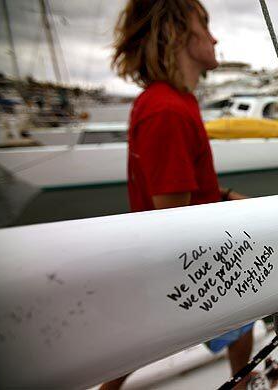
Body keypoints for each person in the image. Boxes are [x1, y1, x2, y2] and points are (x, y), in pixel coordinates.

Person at [105, 1, 253, 388]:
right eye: (204, 24)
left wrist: (225, 196)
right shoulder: (167, 110)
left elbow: (182, 190)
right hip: (185, 261)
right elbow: (174, 220)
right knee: (245, 309)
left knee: (136, 347)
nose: (215, 37)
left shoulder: (172, 101)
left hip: (168, 256)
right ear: (176, 34)